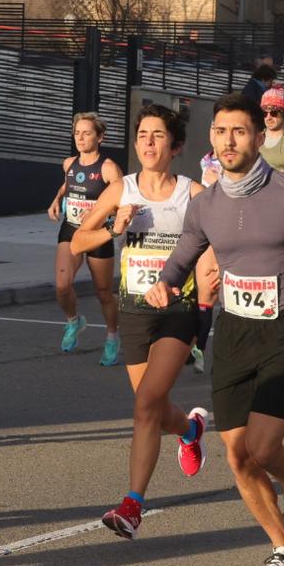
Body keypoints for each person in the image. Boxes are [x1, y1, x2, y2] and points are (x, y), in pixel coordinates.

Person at [147, 92, 284, 566]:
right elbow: (184, 254)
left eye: (238, 131)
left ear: (258, 136)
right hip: (233, 331)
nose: (227, 140)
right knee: (237, 456)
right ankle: (283, 551)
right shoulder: (206, 204)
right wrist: (165, 281)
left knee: (261, 445)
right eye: (219, 131)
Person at [71, 105, 214, 537]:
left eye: (157, 136)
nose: (148, 143)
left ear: (176, 146)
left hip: (177, 312)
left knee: (144, 404)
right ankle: (191, 429)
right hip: (134, 311)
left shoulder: (193, 194)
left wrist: (208, 290)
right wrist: (114, 229)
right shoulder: (122, 190)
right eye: (143, 135)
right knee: (151, 408)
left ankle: (132, 506)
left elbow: (215, 247)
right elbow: (79, 239)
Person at [46, 112, 122, 364]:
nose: (80, 137)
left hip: (97, 235)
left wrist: (108, 215)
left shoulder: (108, 168)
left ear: (100, 137)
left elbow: (122, 199)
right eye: (77, 132)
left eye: (86, 133)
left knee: (103, 292)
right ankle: (73, 321)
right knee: (61, 285)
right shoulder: (69, 163)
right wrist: (56, 200)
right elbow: (67, 186)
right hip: (71, 229)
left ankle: (112, 337)